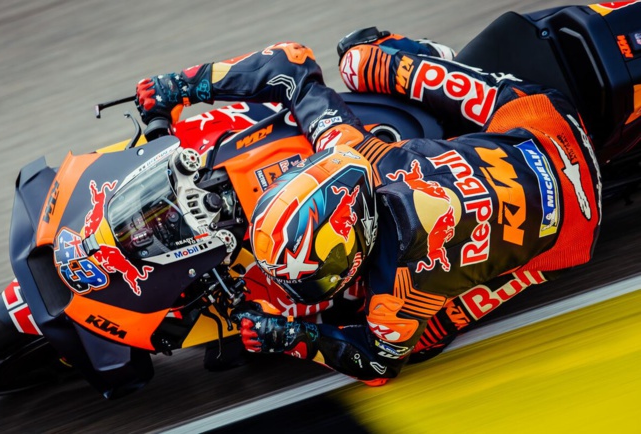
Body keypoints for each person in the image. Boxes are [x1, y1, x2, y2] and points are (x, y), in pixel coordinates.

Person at [135, 5, 640, 383]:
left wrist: (295, 337)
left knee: (421, 340)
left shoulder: (391, 302)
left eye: (323, 268)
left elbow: (379, 366)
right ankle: (414, 55)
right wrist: (179, 86)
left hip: (573, 229)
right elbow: (290, 62)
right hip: (539, 127)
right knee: (359, 58)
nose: (314, 282)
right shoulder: (363, 156)